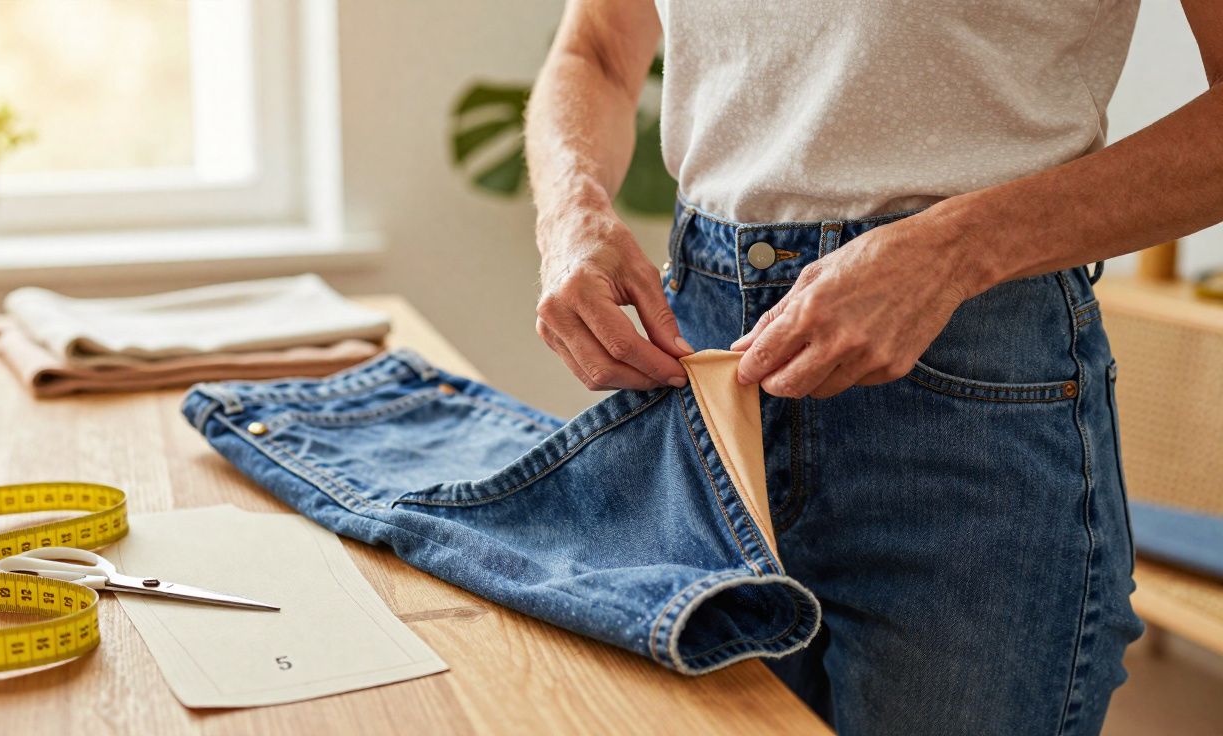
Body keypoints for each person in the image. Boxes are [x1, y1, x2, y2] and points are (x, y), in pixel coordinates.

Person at [524, 1, 1223, 733]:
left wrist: (953, 251)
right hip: (706, 395)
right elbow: (597, 50)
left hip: (972, 399)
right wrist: (569, 212)